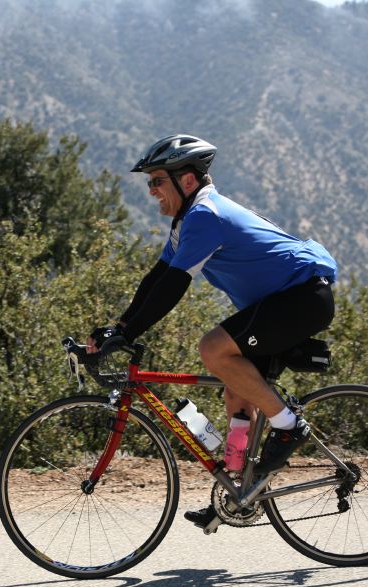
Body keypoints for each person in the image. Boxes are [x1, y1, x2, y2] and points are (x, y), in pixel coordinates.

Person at [87, 134, 337, 529]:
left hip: (301, 299)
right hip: (282, 303)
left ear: (186, 181)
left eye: (156, 181)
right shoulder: (188, 219)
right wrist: (118, 327)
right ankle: (240, 491)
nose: (151, 191)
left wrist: (129, 333)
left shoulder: (205, 215)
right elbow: (158, 277)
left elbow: (174, 286)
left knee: (214, 349)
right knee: (236, 388)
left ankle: (289, 428)